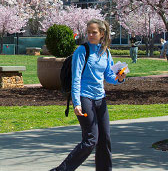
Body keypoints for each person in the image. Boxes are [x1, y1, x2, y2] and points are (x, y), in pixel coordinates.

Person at [51, 19, 126, 171]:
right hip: (85, 97)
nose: (90, 35)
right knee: (91, 139)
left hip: (100, 98)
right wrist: (76, 103)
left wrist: (120, 78)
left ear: (102, 34)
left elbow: (109, 76)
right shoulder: (82, 51)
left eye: (94, 32)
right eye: (89, 32)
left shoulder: (105, 52)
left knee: (104, 139)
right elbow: (76, 78)